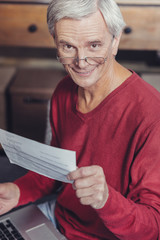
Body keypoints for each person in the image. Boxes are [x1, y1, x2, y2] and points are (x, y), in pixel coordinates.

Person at [0, 0, 160, 239]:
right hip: (58, 218)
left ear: (115, 42)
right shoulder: (64, 90)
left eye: (94, 45)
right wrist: (17, 191)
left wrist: (106, 199)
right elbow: (57, 168)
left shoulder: (151, 115)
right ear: (55, 42)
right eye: (68, 46)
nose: (81, 61)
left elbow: (153, 228)